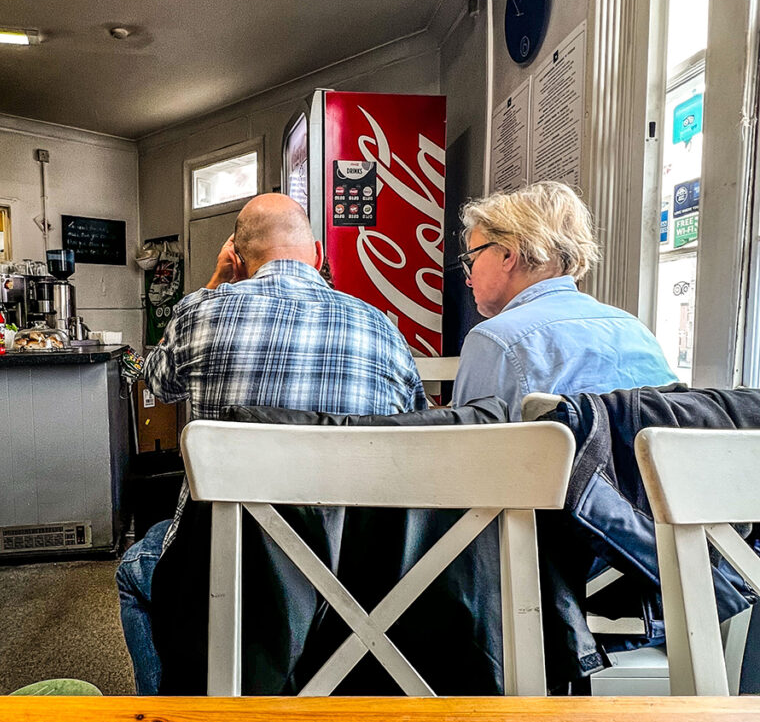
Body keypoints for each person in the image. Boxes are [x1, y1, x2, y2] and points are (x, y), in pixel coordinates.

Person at [118, 192, 426, 694]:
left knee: (135, 568)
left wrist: (215, 284)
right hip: (352, 571)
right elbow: (411, 434)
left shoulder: (201, 312)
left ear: (236, 259)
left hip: (224, 563)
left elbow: (155, 384)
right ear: (320, 256)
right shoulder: (381, 328)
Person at [452, 181, 677, 419]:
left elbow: (468, 450)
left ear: (508, 254)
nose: (468, 279)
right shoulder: (635, 329)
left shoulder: (496, 339)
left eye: (472, 259)